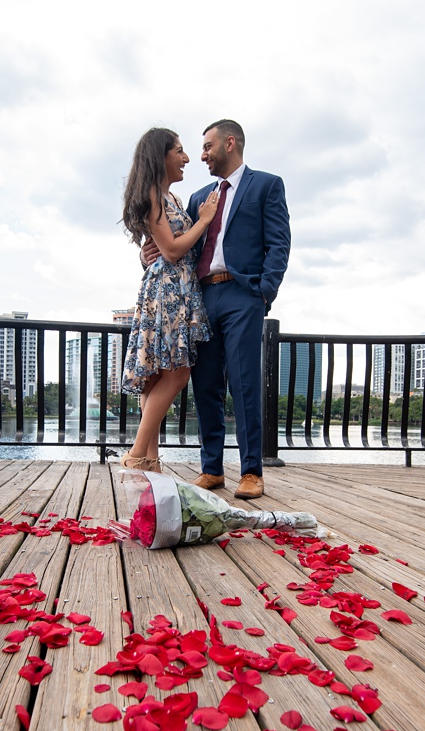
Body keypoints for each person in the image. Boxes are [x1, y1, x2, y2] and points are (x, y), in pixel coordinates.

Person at [144, 119, 290, 499]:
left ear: (230, 143)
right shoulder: (197, 198)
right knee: (204, 384)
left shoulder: (266, 185)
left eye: (208, 147)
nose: (202, 155)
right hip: (202, 296)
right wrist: (150, 257)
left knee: (244, 383)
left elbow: (279, 243)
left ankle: (251, 472)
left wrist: (264, 292)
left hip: (244, 295)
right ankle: (211, 470)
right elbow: (180, 247)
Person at [117, 128, 220, 472]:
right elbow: (173, 250)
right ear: (160, 156)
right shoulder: (152, 194)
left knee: (158, 376)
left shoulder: (171, 197)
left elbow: (163, 248)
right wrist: (204, 220)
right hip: (168, 291)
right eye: (179, 150)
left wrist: (156, 252)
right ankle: (136, 454)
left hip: (177, 289)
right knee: (176, 373)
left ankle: (150, 458)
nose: (187, 158)